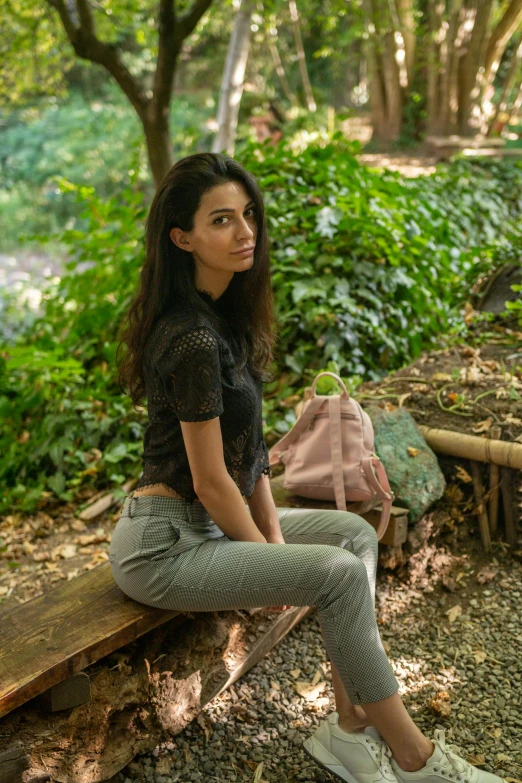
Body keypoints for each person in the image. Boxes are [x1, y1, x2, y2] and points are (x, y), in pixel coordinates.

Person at [110, 152, 504, 783]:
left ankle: (349, 726)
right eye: (221, 221)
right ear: (181, 238)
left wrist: (269, 544)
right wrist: (268, 560)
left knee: (351, 535)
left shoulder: (226, 323)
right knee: (337, 572)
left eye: (248, 215)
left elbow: (250, 463)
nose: (245, 233)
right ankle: (416, 759)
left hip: (208, 525)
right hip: (163, 544)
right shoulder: (190, 338)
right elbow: (211, 482)